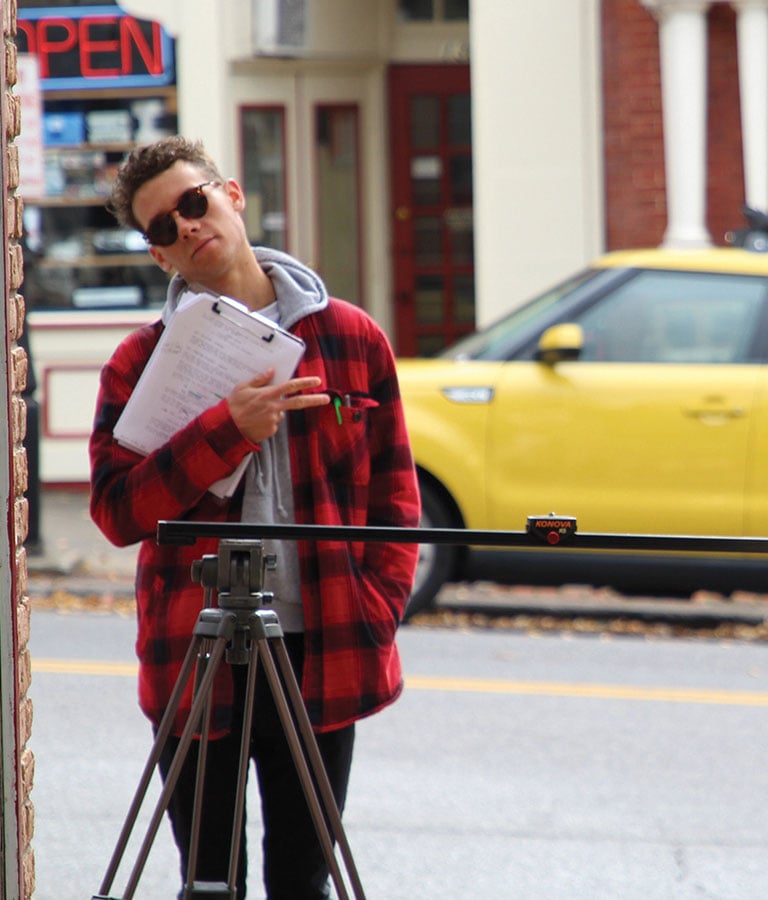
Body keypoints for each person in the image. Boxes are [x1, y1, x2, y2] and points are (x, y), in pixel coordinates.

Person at [89, 136, 420, 899]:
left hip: (327, 637)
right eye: (163, 229)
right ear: (160, 257)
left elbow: (394, 499)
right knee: (210, 880)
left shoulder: (350, 337)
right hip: (194, 648)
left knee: (304, 879)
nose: (187, 228)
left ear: (232, 195)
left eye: (193, 203)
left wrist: (377, 609)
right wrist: (225, 430)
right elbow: (114, 511)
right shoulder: (141, 362)